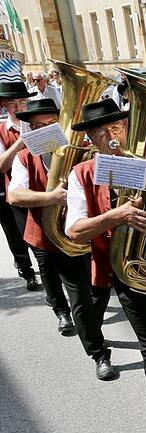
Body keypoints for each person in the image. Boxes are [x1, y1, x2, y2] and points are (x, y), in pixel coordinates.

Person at [64, 99, 146, 433]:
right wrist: (116, 216)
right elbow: (75, 230)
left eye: (117, 128)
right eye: (102, 131)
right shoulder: (82, 174)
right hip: (129, 274)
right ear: (90, 138)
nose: (112, 136)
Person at [7, 98, 77, 336]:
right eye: (39, 126)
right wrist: (52, 198)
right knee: (47, 270)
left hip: (74, 228)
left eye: (52, 123)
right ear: (32, 129)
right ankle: (61, 311)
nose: (46, 129)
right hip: (41, 229)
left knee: (79, 281)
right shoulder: (24, 157)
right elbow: (14, 196)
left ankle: (85, 319)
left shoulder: (75, 150)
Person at [0, 81, 40, 291]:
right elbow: (1, 165)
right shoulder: (0, 130)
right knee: (16, 237)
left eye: (23, 101)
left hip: (40, 189)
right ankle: (27, 271)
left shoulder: (39, 124)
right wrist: (21, 141)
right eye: (13, 103)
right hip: (11, 193)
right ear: (5, 106)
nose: (19, 107)